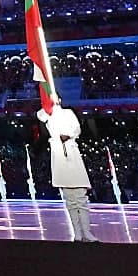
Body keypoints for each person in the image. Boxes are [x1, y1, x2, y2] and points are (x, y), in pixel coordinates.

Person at [41, 104, 98, 243]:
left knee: (81, 198)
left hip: (72, 154)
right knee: (70, 200)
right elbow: (41, 115)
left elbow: (77, 128)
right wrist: (47, 105)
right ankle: (77, 233)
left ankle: (87, 232)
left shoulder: (68, 112)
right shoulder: (48, 115)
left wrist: (69, 135)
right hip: (59, 157)